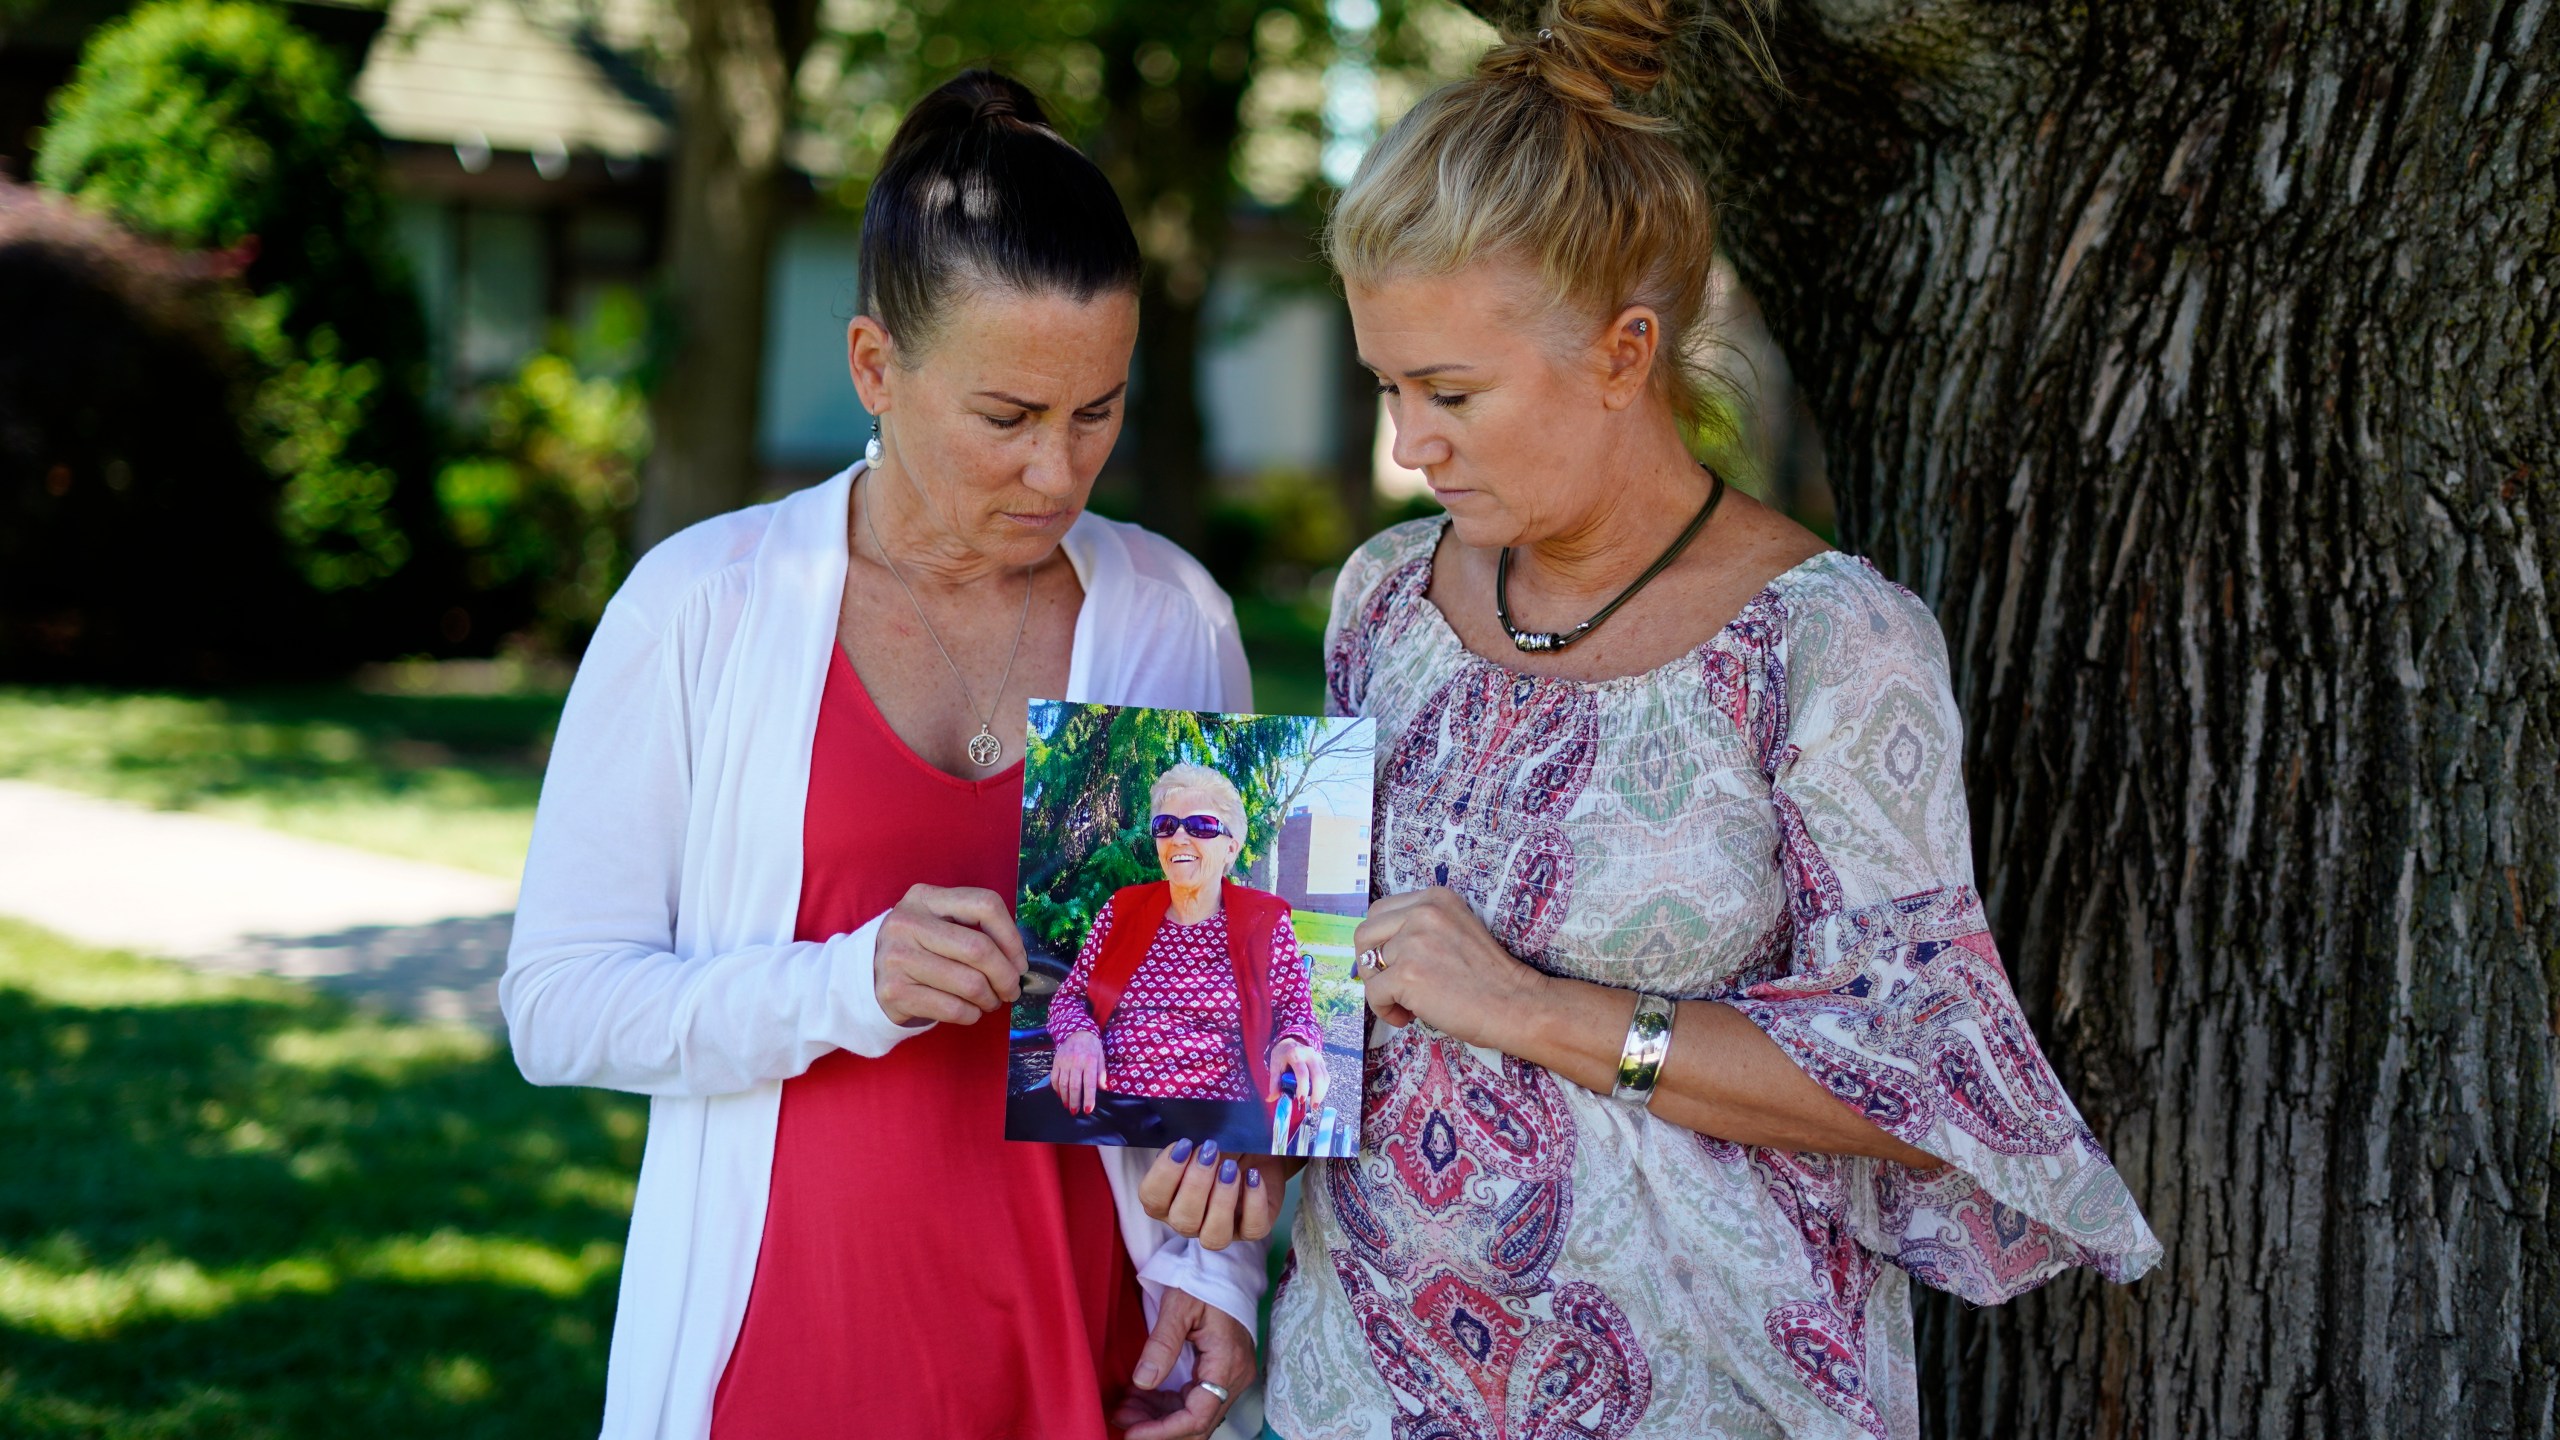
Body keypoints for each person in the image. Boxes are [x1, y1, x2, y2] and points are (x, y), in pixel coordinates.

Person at [1141, 5, 2163, 1436]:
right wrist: (1227, 1172)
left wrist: (1540, 1014)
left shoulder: (1828, 641)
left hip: (1698, 1388)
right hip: (1362, 1383)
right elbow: (1314, 968)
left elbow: (1924, 1070)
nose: (1406, 443)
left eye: (1451, 392)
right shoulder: (1382, 596)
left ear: (1625, 352)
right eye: (1386, 386)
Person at [501, 71, 1263, 1440]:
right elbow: (558, 1006)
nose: (1059, 472)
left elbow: (1198, 1043)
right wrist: (844, 983)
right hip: (783, 1354)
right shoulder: (707, 603)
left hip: (1080, 1355)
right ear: (874, 367)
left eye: (1098, 411)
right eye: (1008, 418)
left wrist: (1213, 1274)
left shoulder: (1171, 617)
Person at [1033, 763, 1330, 1155]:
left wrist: (1294, 1042)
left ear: (1230, 847)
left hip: (1217, 1112)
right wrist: (1079, 1035)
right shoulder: (1122, 909)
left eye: (1202, 826)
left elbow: (1296, 1013)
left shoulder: (1264, 921)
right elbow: (1071, 997)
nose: (1180, 837)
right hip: (1105, 1102)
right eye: (1166, 826)